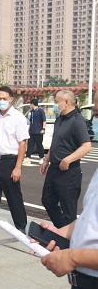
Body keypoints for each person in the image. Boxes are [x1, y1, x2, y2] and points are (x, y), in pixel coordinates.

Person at [32, 94, 98, 289]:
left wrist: (72, 257)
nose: (94, 120)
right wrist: (63, 232)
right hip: (83, 286)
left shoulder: (77, 121)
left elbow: (85, 145)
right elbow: (91, 218)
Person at [40, 90, 91, 228]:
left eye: (57, 102)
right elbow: (56, 142)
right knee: (47, 201)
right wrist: (46, 160)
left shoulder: (77, 121)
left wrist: (68, 159)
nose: (55, 105)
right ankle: (62, 230)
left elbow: (86, 146)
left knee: (68, 209)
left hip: (69, 171)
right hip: (54, 169)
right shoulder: (60, 119)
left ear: (66, 102)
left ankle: (68, 237)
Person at [0, 86, 29, 241]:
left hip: (10, 161)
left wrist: (18, 167)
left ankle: (21, 226)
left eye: (4, 98)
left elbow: (23, 143)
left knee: (13, 196)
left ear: (11, 99)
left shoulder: (18, 118)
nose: (1, 101)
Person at [22, 99, 46, 165]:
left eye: (30, 104)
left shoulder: (40, 111)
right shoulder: (32, 111)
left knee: (39, 145)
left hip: (38, 131)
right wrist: (29, 129)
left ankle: (42, 157)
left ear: (32, 104)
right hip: (31, 131)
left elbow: (44, 120)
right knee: (30, 145)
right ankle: (28, 158)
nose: (30, 105)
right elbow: (31, 121)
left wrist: (43, 129)